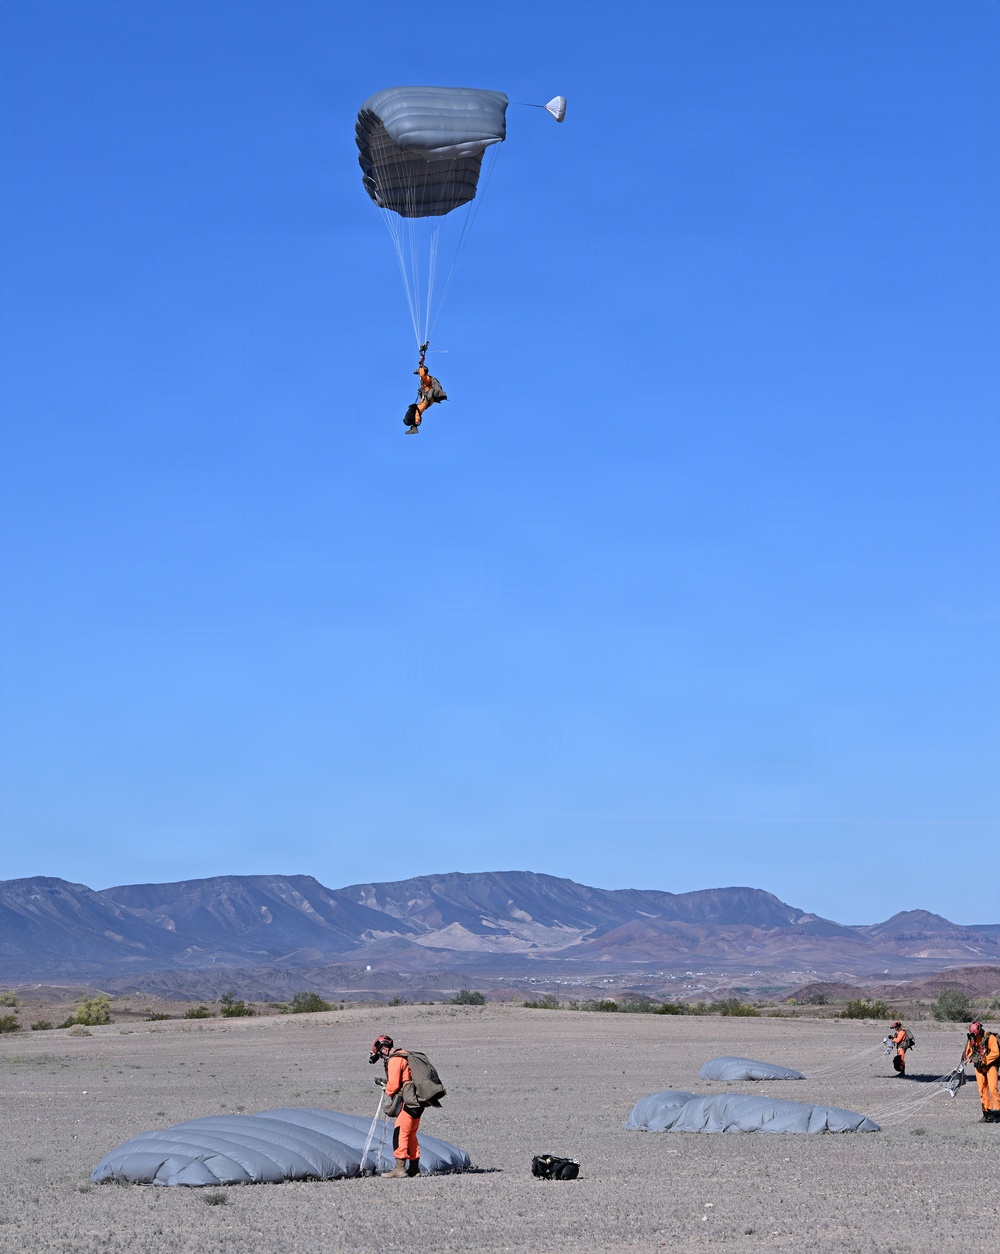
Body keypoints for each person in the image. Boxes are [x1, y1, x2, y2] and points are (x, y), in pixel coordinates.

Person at [369, 1034, 422, 1176]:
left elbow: (392, 1087)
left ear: (384, 1049)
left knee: (400, 1132)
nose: (382, 1057)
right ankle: (414, 1167)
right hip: (419, 1100)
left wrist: (386, 1088)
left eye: (380, 1054)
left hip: (408, 1100)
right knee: (410, 1133)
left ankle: (399, 1168)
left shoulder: (394, 1060)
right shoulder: (405, 1054)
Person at [962, 1021, 1000, 1122]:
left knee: (993, 1089)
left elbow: (996, 1053)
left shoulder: (990, 1038)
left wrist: (984, 1060)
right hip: (979, 1068)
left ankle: (997, 1112)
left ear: (980, 1030)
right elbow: (969, 1052)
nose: (975, 1036)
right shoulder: (972, 1039)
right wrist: (969, 1059)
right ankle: (986, 1113)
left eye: (976, 1034)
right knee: (982, 1090)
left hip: (991, 1066)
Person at [405, 361, 447, 434]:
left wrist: (421, 366)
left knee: (418, 410)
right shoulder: (425, 382)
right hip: (426, 398)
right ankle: (414, 426)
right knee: (416, 410)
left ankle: (415, 427)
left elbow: (422, 375)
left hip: (427, 398)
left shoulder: (427, 379)